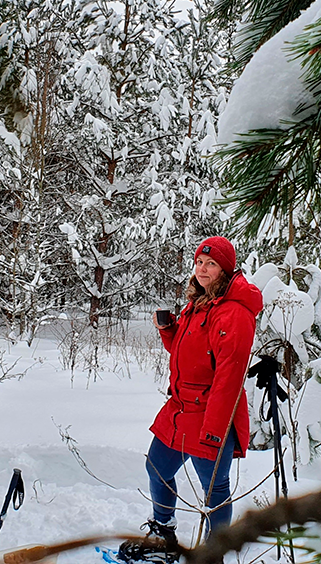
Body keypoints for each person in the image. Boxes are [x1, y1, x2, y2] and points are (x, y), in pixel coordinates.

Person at [119, 237, 262, 563]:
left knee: (214, 492)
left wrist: (214, 432)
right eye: (200, 262)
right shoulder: (200, 303)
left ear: (225, 270)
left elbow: (229, 378)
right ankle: (164, 534)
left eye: (211, 264)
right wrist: (170, 331)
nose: (202, 268)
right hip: (181, 409)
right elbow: (192, 357)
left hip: (212, 414)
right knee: (157, 467)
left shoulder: (234, 313)